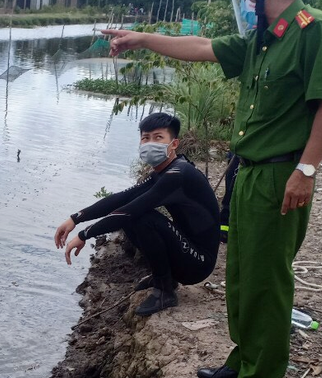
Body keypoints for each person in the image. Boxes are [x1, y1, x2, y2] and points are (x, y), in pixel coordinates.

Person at [103, 0, 322, 378]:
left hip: (280, 176)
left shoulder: (313, 30)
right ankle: (245, 359)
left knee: (267, 280)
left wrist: (306, 170)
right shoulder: (263, 36)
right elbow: (201, 46)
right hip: (250, 174)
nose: (246, 0)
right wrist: (143, 39)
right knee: (242, 274)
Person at [54, 112, 220, 316]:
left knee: (140, 217)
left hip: (198, 263)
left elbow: (130, 210)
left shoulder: (179, 174)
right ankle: (164, 277)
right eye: (145, 138)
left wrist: (84, 235)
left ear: (174, 144)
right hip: (187, 252)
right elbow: (121, 198)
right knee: (133, 215)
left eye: (158, 138)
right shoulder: (162, 173)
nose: (150, 143)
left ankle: (165, 291)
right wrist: (75, 218)